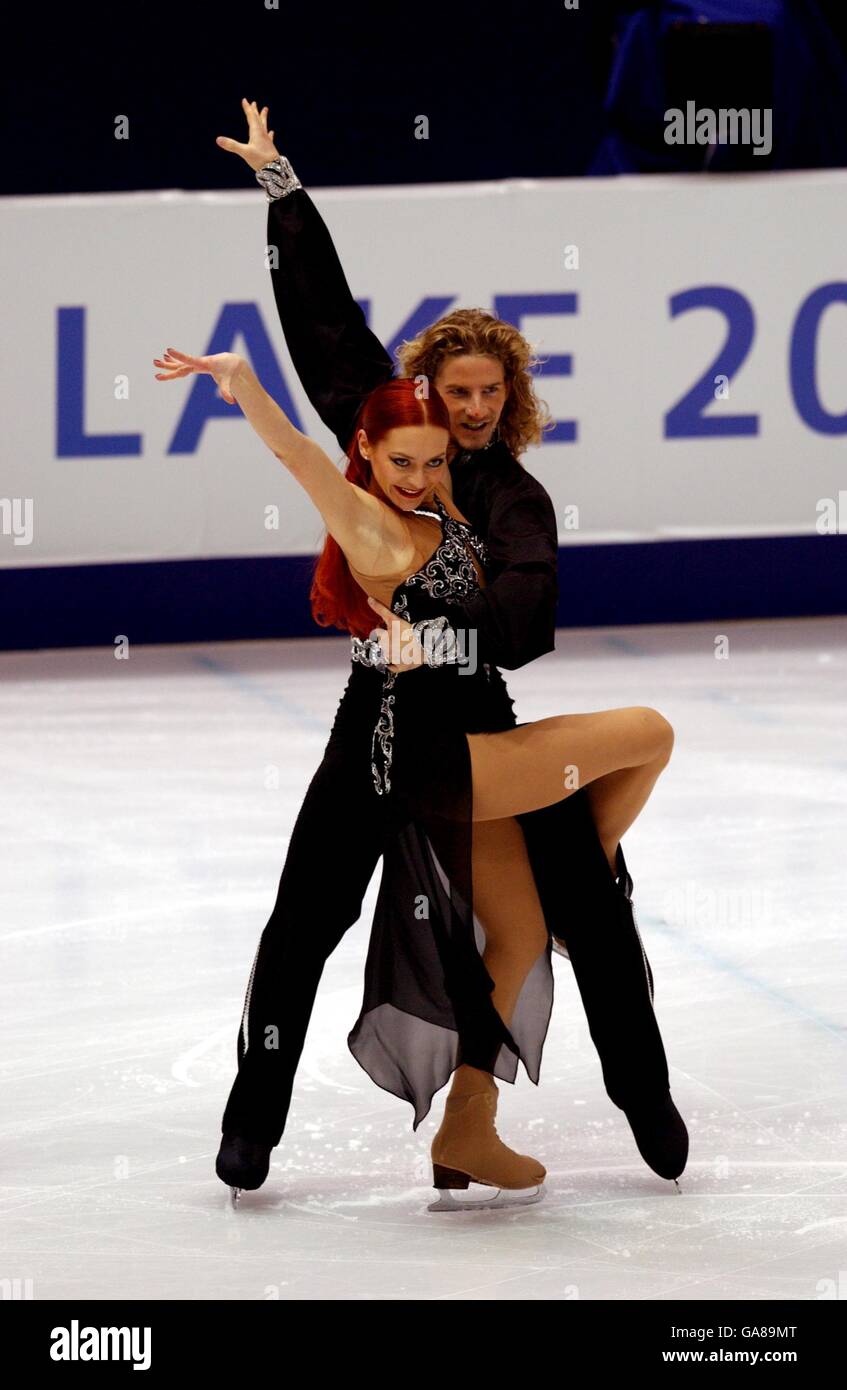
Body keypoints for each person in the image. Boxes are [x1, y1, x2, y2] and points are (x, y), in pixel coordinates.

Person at [206, 100, 689, 1195]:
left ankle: (642, 1093)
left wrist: (440, 634)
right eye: (456, 390)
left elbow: (525, 615)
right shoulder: (397, 444)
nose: (469, 410)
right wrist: (283, 191)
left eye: (488, 394)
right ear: (427, 396)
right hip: (375, 733)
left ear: (511, 399)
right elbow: (328, 336)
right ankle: (252, 1116)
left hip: (479, 737)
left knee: (591, 906)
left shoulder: (516, 499)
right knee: (302, 923)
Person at [154, 344, 682, 1210]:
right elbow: (297, 453)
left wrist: (421, 633)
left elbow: (473, 588)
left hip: (469, 741)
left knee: (516, 936)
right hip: (406, 750)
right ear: (364, 452)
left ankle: (469, 1119)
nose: (419, 474)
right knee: (647, 737)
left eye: (434, 460)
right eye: (401, 459)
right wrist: (243, 385)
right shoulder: (366, 516)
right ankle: (251, 1123)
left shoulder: (450, 500)